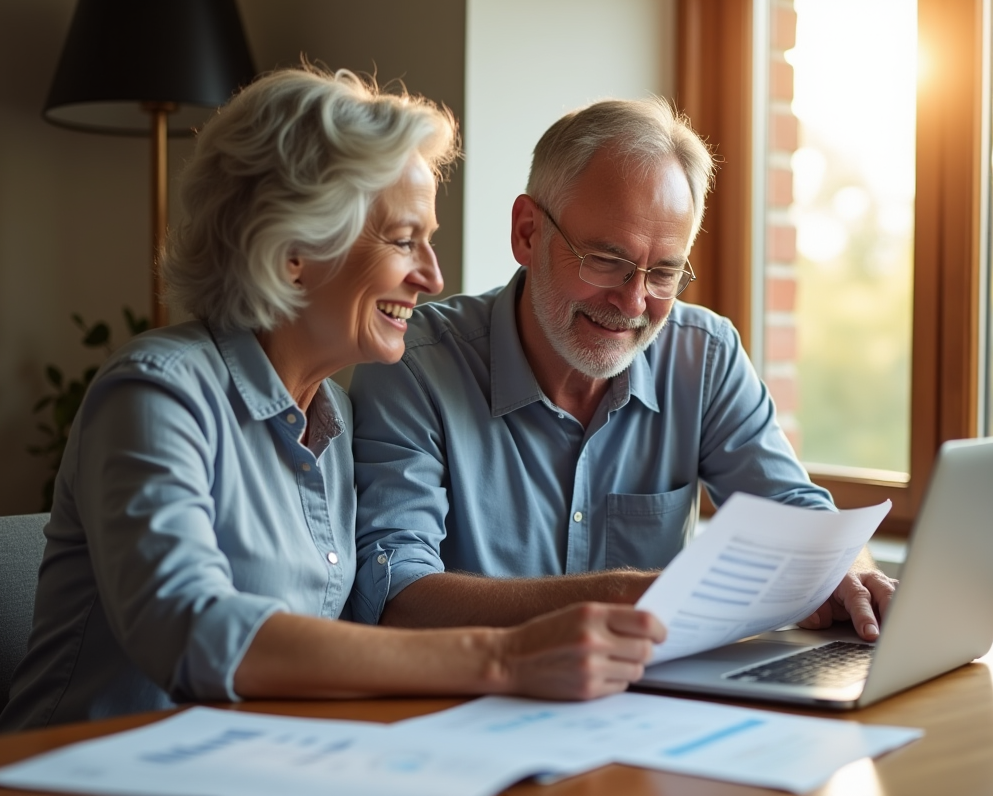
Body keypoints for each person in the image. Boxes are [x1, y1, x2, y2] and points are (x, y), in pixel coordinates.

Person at [0, 67, 665, 733]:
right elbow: (193, 630)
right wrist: (502, 655)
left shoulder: (332, 419)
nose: (432, 276)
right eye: (405, 241)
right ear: (293, 250)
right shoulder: (156, 393)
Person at [349, 97, 896, 640]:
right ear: (527, 233)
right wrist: (624, 596)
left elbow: (796, 512)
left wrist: (843, 568)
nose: (634, 302)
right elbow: (396, 594)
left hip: (657, 708)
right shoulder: (412, 364)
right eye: (607, 261)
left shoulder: (703, 355)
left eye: (663, 272)